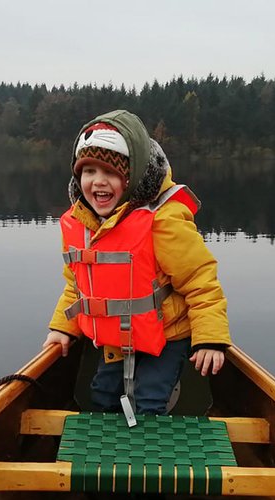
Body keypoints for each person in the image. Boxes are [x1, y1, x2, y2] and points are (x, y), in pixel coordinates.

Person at [43, 109, 230, 416]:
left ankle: (151, 459)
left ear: (132, 177)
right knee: (102, 398)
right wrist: (62, 328)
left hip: (168, 335)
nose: (98, 182)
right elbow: (77, 287)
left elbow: (201, 282)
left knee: (148, 403)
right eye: (88, 171)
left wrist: (210, 339)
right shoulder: (83, 224)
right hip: (118, 338)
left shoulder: (164, 221)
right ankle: (107, 459)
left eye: (111, 173)